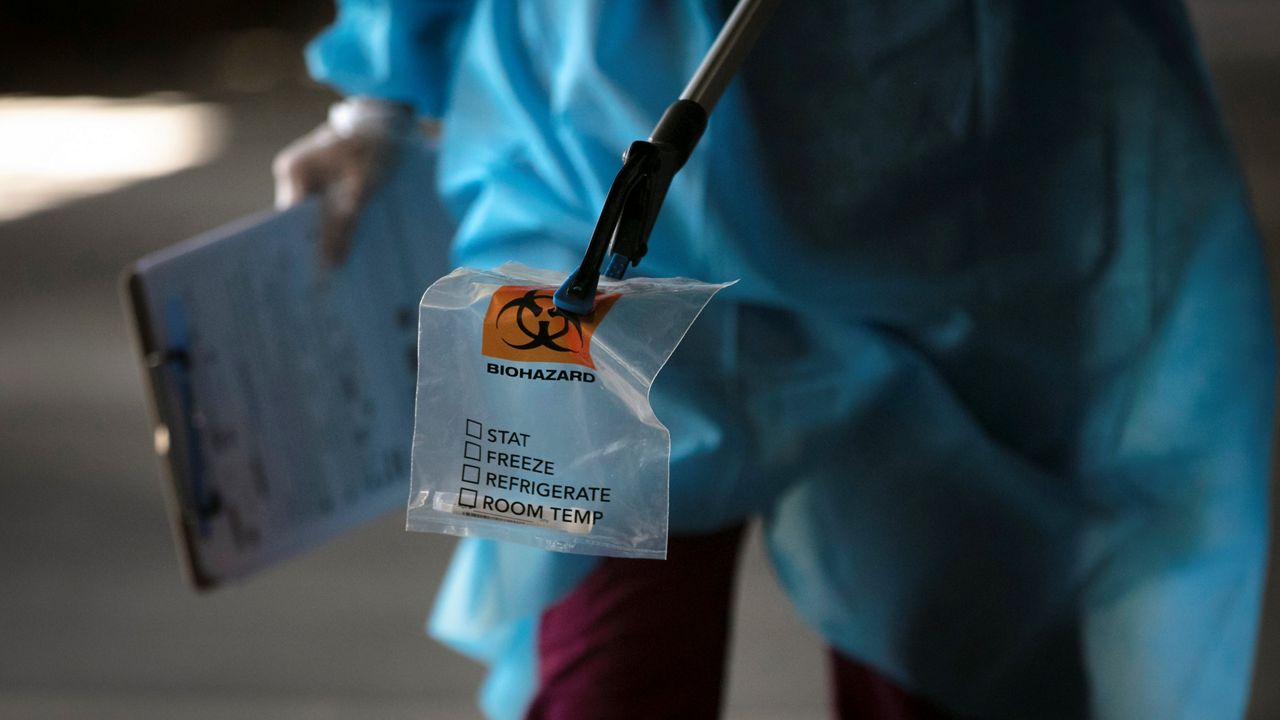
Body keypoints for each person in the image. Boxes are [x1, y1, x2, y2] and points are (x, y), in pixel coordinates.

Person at [275, 1, 1277, 718]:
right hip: (650, 166)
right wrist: (377, 92)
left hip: (914, 168)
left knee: (946, 644)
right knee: (614, 661)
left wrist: (383, 83)